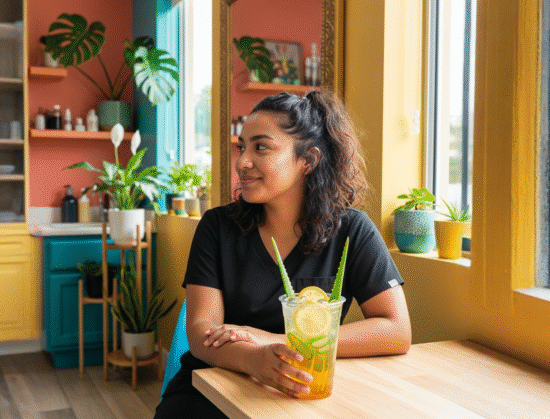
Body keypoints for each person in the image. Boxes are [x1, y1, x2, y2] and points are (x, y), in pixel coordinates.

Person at [154, 90, 411, 418]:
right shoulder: (217, 227)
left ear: (308, 160)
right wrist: (254, 360)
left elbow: (396, 329)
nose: (243, 161)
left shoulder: (352, 230)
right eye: (242, 147)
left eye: (261, 147)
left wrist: (274, 340)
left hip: (299, 388)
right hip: (208, 388)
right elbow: (202, 333)